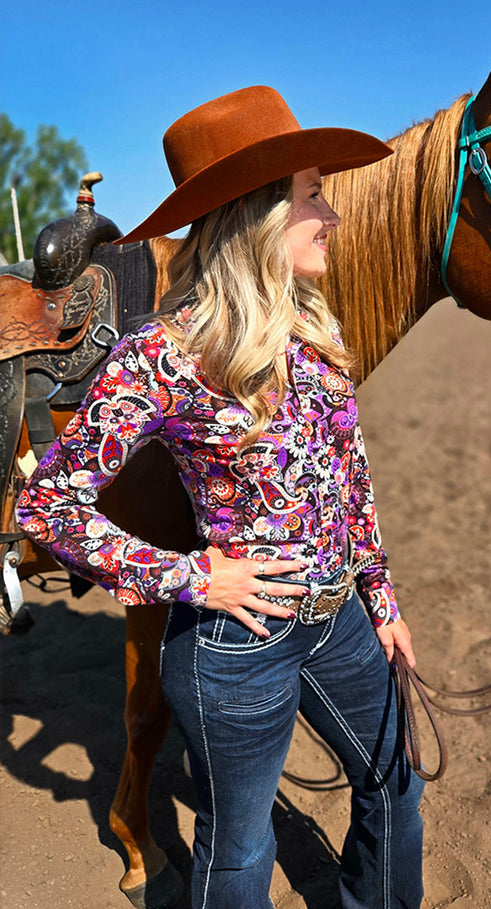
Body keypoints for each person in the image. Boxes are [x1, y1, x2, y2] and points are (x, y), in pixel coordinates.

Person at [16, 85, 424, 908]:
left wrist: (381, 600)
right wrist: (192, 577)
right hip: (237, 647)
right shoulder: (162, 354)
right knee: (240, 847)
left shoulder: (315, 330)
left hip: (341, 617)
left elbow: (350, 474)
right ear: (261, 209)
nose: (333, 216)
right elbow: (48, 503)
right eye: (314, 194)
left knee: (398, 784)